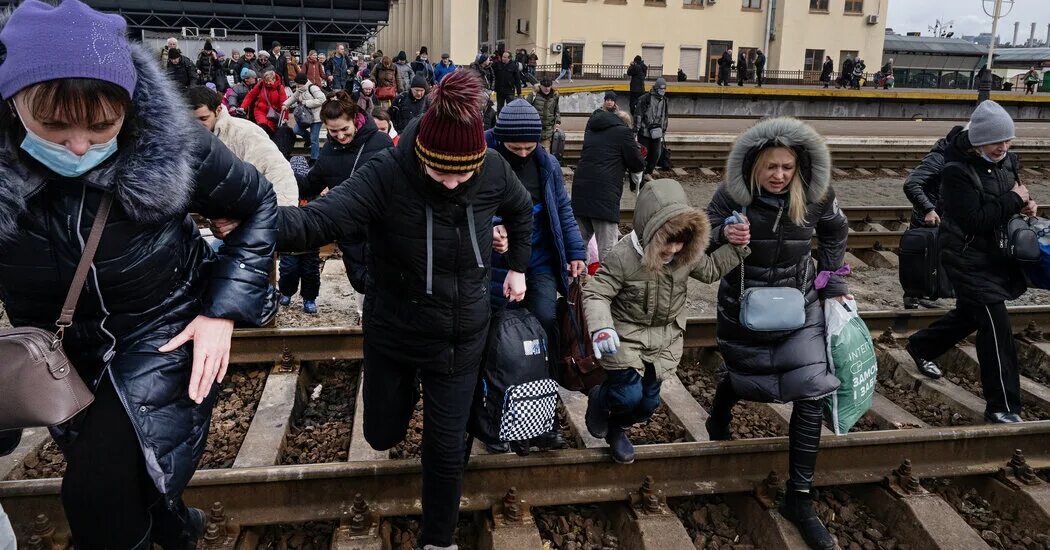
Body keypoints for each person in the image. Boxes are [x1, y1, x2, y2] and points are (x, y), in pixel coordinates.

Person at [0, 1, 279, 546]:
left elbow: (259, 205)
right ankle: (179, 534)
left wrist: (221, 311)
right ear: (13, 103)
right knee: (129, 485)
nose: (79, 146)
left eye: (102, 126)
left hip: (163, 328)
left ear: (128, 107)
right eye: (54, 126)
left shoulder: (174, 143)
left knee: (93, 495)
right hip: (59, 355)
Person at [266, 70, 533, 550]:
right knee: (382, 433)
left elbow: (520, 208)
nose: (453, 183)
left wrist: (517, 267)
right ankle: (403, 391)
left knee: (447, 448)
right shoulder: (387, 173)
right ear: (421, 157)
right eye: (440, 171)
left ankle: (438, 539)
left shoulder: (492, 168)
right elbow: (317, 221)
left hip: (460, 338)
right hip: (395, 332)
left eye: (463, 173)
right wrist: (250, 219)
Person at [704, 117, 849, 550]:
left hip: (800, 304)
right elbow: (700, 236)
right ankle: (722, 405)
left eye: (787, 167)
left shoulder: (818, 195)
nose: (779, 175)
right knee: (747, 378)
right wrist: (724, 233)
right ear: (754, 166)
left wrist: (834, 284)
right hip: (744, 305)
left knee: (811, 389)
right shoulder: (733, 195)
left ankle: (799, 499)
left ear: (799, 167)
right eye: (771, 166)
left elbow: (836, 231)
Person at [584, 178, 749, 464]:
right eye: (667, 243)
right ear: (650, 233)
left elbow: (709, 271)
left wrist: (736, 247)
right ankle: (603, 401)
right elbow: (597, 291)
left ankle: (617, 426)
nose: (673, 250)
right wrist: (602, 327)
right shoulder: (624, 257)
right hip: (626, 338)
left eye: (680, 242)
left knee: (648, 404)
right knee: (626, 397)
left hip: (664, 340)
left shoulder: (684, 254)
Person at [905, 101, 1032, 423]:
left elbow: (1008, 199)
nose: (1002, 147)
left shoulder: (1008, 162)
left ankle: (921, 346)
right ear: (977, 143)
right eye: (994, 142)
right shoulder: (955, 171)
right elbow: (975, 220)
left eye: (1007, 140)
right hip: (965, 256)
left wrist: (1026, 205)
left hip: (995, 256)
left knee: (968, 315)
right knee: (996, 326)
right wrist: (1014, 200)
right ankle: (1003, 406)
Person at [486, 98, 586, 379]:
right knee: (498, 324)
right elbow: (471, 206)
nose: (521, 154)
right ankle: (500, 382)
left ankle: (544, 381)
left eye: (529, 148)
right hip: (497, 263)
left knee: (545, 316)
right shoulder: (483, 159)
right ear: (500, 140)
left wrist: (575, 251)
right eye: (514, 148)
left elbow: (562, 210)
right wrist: (493, 227)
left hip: (538, 258)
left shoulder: (548, 165)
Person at [189, 86, 298, 208]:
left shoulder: (244, 132)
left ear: (218, 110)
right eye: (192, 120)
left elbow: (277, 170)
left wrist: (279, 214)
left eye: (204, 119)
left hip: (254, 213)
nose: (197, 126)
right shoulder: (182, 140)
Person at [572, 108, 645, 261]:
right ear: (626, 125)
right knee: (608, 251)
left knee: (578, 246)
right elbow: (637, 163)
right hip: (604, 196)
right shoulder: (624, 133)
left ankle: (577, 281)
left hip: (580, 192)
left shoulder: (592, 129)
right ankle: (606, 283)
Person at [285, 72, 327, 162]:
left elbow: (322, 99)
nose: (296, 85)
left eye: (297, 83)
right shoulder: (300, 89)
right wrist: (285, 105)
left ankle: (314, 158)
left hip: (317, 117)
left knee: (314, 139)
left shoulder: (312, 88)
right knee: (296, 130)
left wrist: (306, 103)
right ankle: (307, 139)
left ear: (302, 82)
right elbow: (293, 98)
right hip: (305, 117)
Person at [634, 78, 669, 177]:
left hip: (657, 133)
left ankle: (648, 172)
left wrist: (664, 130)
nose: (663, 91)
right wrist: (636, 129)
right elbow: (638, 115)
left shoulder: (664, 100)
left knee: (655, 155)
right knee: (643, 154)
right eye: (661, 89)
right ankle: (639, 172)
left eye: (664, 89)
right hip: (644, 132)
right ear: (656, 88)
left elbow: (665, 116)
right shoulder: (645, 98)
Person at [241, 69, 288, 136]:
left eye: (270, 81)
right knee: (262, 127)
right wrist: (243, 107)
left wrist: (285, 117)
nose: (267, 83)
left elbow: (284, 103)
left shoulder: (280, 88)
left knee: (271, 131)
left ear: (274, 79)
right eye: (266, 81)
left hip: (273, 114)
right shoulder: (261, 85)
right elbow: (250, 95)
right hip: (260, 110)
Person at [527, 78, 561, 151]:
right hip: (534, 130)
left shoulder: (554, 96)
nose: (547, 89)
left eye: (549, 86)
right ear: (540, 86)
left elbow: (556, 110)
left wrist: (558, 122)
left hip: (547, 131)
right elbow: (526, 107)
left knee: (545, 153)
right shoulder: (534, 95)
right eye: (545, 87)